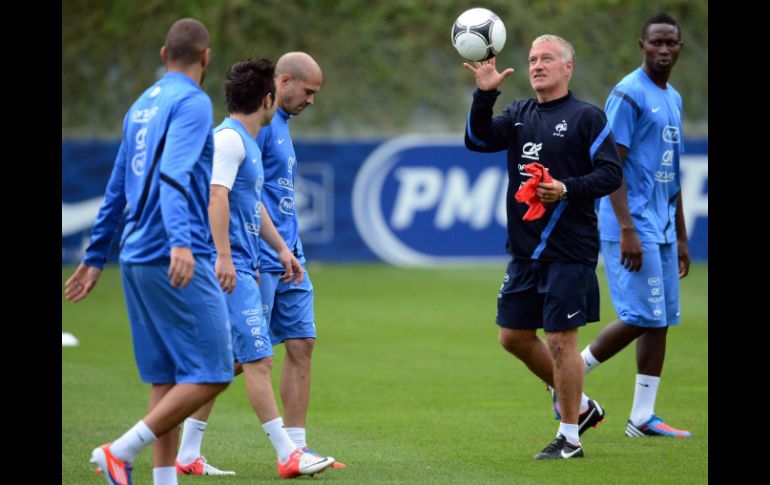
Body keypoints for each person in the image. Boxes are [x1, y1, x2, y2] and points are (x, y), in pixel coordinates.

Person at [64, 18, 233, 485]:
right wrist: (180, 240)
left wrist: (95, 256)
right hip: (171, 251)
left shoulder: (140, 105)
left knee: (168, 375)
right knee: (215, 371)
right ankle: (119, 452)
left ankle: (163, 481)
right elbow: (174, 173)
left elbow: (116, 187)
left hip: (135, 255)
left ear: (163, 55)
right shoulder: (193, 102)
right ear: (206, 57)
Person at [178, 51, 346, 469]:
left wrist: (287, 247)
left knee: (299, 344)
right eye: (308, 91)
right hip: (254, 259)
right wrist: (230, 255)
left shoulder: (276, 125)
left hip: (283, 253)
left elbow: (253, 198)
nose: (311, 100)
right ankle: (178, 438)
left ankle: (296, 447)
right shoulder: (250, 131)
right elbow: (225, 194)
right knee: (242, 357)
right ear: (280, 85)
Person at [463, 34, 622, 460]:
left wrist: (566, 188)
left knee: (561, 342)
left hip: (569, 250)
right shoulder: (519, 114)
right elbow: (478, 140)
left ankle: (569, 439)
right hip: (524, 250)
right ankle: (582, 406)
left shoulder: (587, 117)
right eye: (533, 59)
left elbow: (611, 174)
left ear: (568, 67)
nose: (537, 65)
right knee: (513, 336)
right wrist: (485, 95)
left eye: (547, 58)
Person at [581, 12, 692, 438]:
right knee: (641, 315)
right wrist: (626, 227)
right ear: (642, 46)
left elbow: (671, 174)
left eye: (671, 43)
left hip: (661, 227)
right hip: (631, 225)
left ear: (679, 48)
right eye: (656, 42)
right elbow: (611, 166)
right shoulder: (628, 94)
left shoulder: (673, 98)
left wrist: (680, 237)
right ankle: (568, 373)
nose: (664, 50)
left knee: (659, 319)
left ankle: (642, 417)